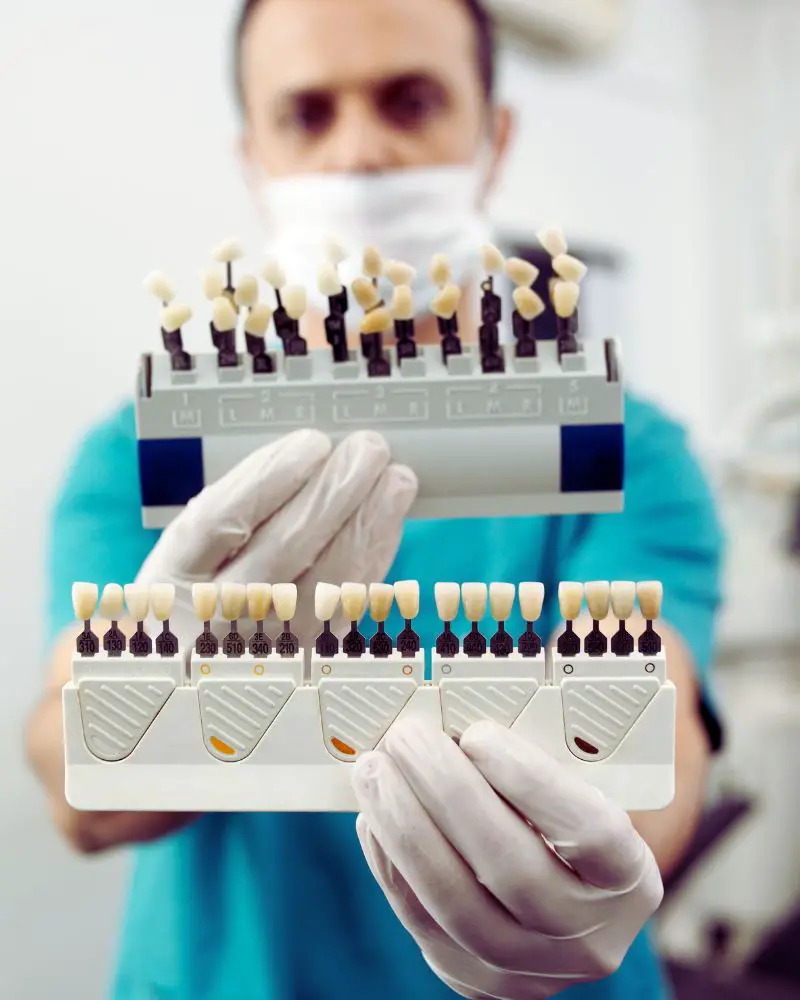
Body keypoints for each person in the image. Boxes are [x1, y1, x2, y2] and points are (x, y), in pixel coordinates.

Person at [26, 0, 723, 998]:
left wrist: (601, 868)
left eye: (410, 100)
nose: (360, 154)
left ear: (495, 136)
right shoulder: (143, 453)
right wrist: (159, 696)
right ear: (252, 158)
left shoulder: (615, 445)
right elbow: (77, 797)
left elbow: (658, 735)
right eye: (307, 114)